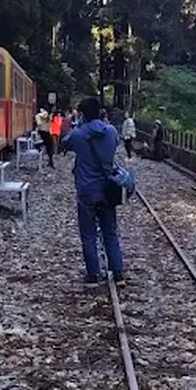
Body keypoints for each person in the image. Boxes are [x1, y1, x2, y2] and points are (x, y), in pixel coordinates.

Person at [62, 97, 125, 287]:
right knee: (110, 232)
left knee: (88, 234)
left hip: (86, 189)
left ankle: (93, 275)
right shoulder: (112, 132)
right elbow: (115, 146)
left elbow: (64, 143)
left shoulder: (78, 134)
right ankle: (118, 272)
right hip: (108, 188)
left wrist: (74, 124)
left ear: (82, 114)